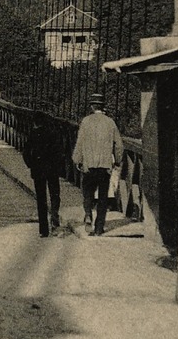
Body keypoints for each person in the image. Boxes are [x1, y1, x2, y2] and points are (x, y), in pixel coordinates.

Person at [72, 93, 123, 236]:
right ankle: (99, 228)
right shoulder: (110, 122)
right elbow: (119, 145)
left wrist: (78, 160)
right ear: (103, 106)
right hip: (105, 167)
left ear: (92, 106)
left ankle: (88, 213)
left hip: (89, 166)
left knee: (87, 193)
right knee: (103, 197)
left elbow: (80, 143)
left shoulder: (86, 121)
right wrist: (117, 161)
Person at [22, 112, 62, 237]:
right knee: (55, 195)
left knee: (41, 199)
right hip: (52, 170)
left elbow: (26, 152)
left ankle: (43, 230)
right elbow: (60, 152)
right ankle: (55, 222)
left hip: (38, 170)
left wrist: (31, 165)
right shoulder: (54, 134)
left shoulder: (33, 134)